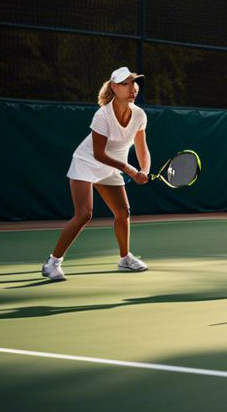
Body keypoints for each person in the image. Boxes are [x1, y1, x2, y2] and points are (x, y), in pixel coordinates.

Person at [43, 66, 152, 282]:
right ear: (113, 87)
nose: (131, 88)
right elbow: (99, 153)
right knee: (84, 213)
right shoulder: (102, 115)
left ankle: (125, 259)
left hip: (113, 166)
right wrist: (129, 169)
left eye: (133, 82)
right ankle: (52, 262)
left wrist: (144, 170)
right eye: (124, 84)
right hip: (87, 162)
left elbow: (142, 148)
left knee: (123, 213)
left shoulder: (139, 115)